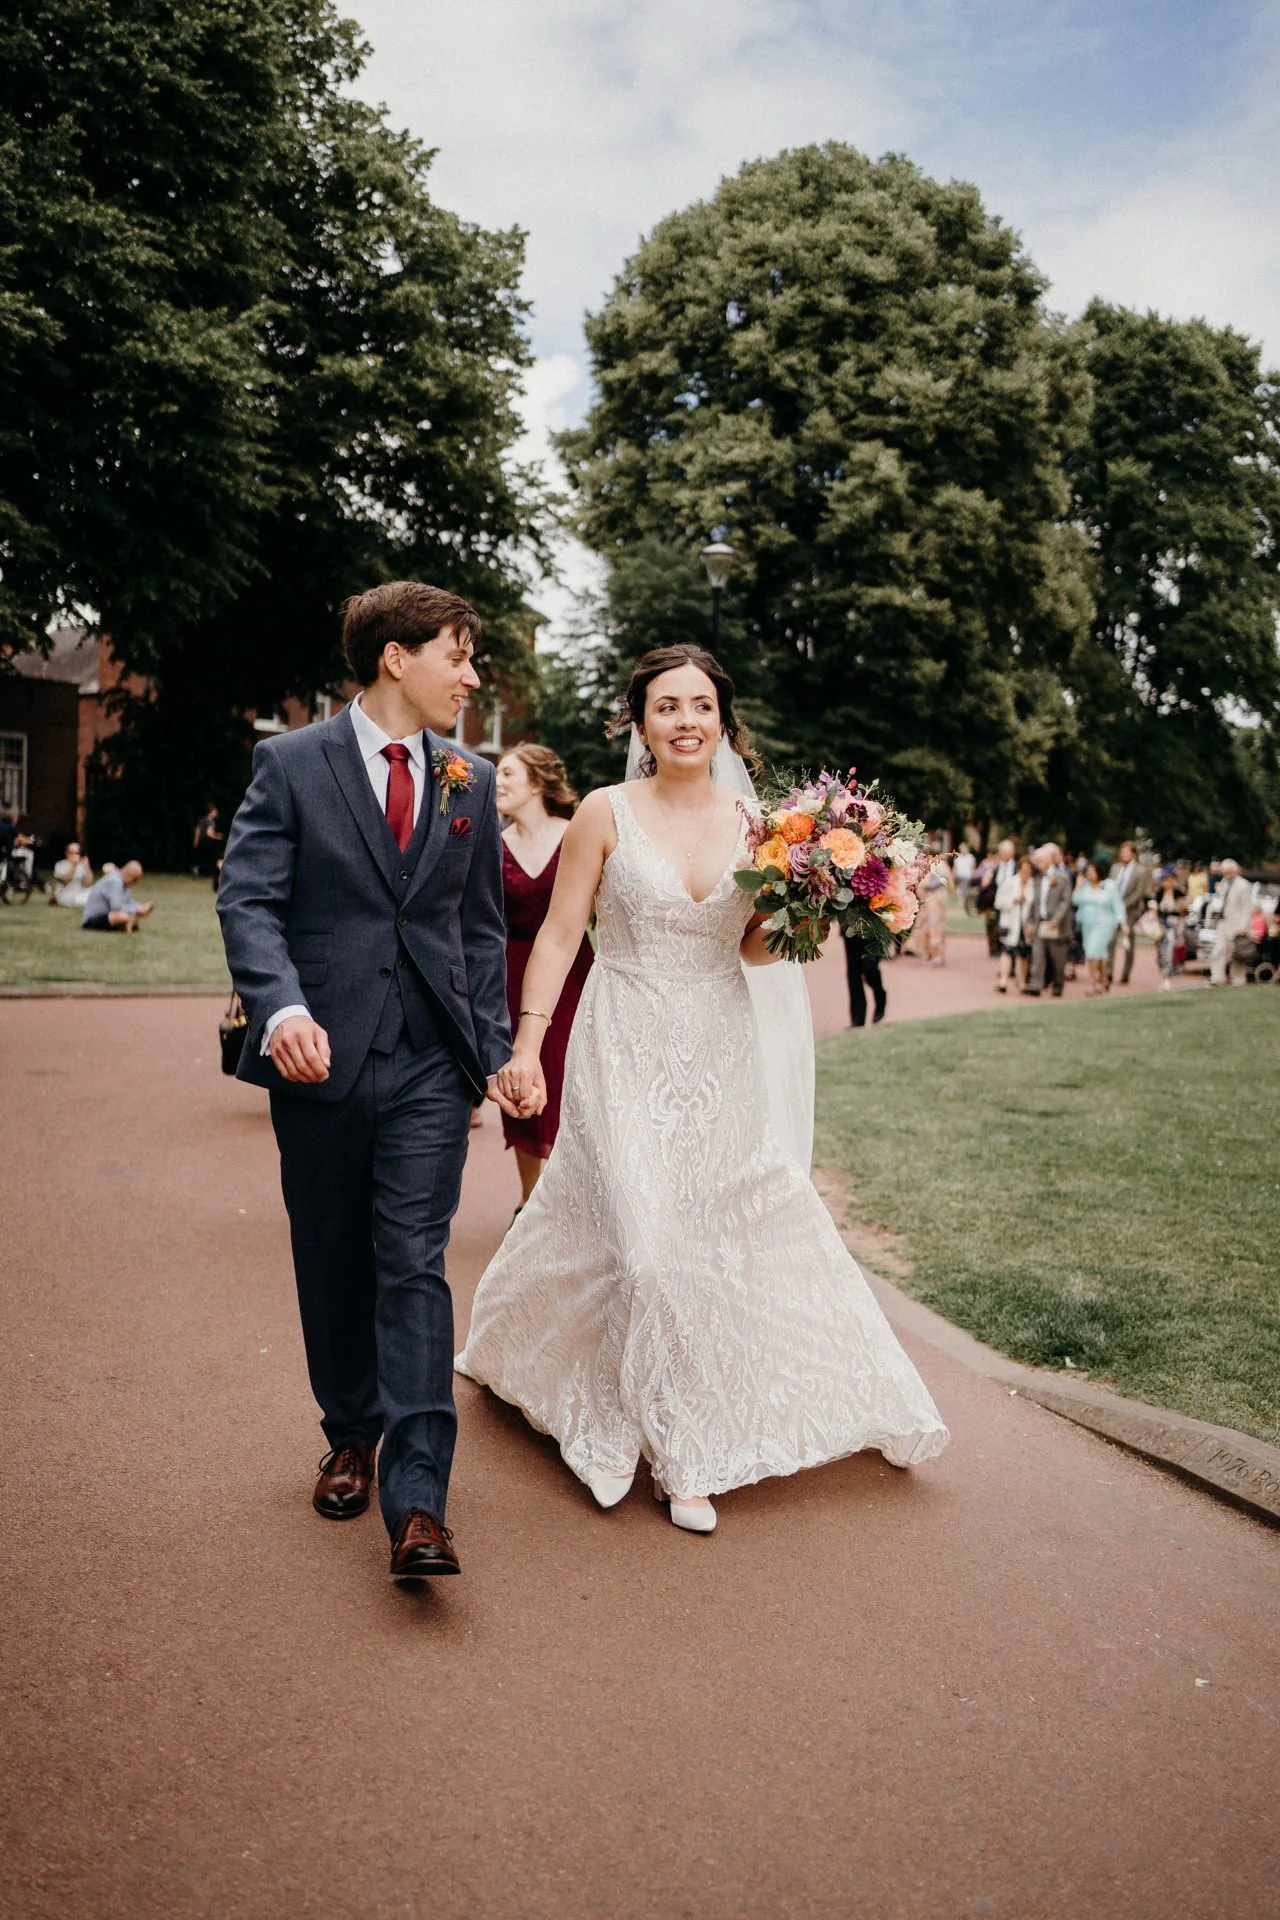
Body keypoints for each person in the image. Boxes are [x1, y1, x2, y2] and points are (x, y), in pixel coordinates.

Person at [457, 645, 948, 1535]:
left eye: (701, 706)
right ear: (638, 722)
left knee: (701, 1233)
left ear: (725, 720)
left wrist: (819, 905)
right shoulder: (604, 812)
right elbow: (564, 936)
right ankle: (675, 1458)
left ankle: (545, 1357)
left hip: (720, 1046)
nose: (686, 720)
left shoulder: (763, 822)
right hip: (624, 1035)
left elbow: (753, 948)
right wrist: (527, 1046)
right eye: (667, 706)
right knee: (646, 1247)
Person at [217, 581, 515, 1587]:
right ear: (396, 657)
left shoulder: (470, 779)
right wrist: (282, 1008)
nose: (470, 676)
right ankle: (350, 1432)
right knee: (333, 1254)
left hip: (432, 1059)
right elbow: (249, 900)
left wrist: (496, 1051)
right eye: (457, 655)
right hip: (320, 1055)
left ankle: (419, 1502)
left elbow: (476, 932)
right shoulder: (288, 765)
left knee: (412, 1262)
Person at [496, 742, 594, 1208]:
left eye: (508, 774)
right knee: (521, 1076)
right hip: (513, 972)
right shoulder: (491, 845)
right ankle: (528, 1199)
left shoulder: (576, 834)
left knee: (567, 1077)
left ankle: (566, 1197)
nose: (498, 782)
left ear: (537, 782)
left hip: (574, 972)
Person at [1024, 845, 1072, 997]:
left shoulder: (1062, 878)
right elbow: (1034, 902)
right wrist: (1030, 922)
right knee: (1037, 954)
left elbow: (1065, 901)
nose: (1037, 864)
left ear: (1049, 860)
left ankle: (1058, 984)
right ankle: (1035, 984)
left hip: (1056, 924)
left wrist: (1057, 919)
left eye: (1040, 861)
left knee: (1057, 957)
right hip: (1040, 922)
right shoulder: (1038, 879)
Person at [1072, 860, 1123, 996]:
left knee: (1092, 954)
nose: (1089, 874)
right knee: (1097, 954)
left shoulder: (1109, 886)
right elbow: (1076, 900)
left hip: (1103, 924)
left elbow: (1117, 904)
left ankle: (1092, 983)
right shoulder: (1085, 886)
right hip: (1088, 924)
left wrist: (1122, 922)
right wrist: (1078, 885)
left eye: (1092, 871)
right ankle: (1104, 979)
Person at [1210, 858, 1254, 986]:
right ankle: (1217, 977)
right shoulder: (1223, 883)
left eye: (1228, 871)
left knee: (1237, 953)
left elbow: (1247, 908)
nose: (1226, 874)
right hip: (1223, 922)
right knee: (1219, 949)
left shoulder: (1243, 885)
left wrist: (1243, 926)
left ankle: (1238, 980)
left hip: (1236, 924)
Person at [995, 853, 1034, 993]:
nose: (1026, 874)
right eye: (1024, 870)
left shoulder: (1032, 885)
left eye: (1029, 871)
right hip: (1010, 923)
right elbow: (998, 902)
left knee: (1024, 954)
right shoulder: (1010, 883)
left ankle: (1022, 981)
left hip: (1025, 925)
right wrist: (1013, 901)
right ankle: (1003, 980)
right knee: (1007, 951)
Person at [1109, 841, 1147, 985]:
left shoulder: (1140, 871)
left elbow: (1138, 894)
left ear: (1133, 854)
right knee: (1110, 941)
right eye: (1122, 852)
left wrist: (1121, 905)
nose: (1123, 855)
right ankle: (1108, 972)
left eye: (1126, 852)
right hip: (1113, 910)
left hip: (1130, 911)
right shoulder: (1115, 868)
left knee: (1127, 943)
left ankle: (1125, 973)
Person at [81, 860, 153, 931]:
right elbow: (116, 907)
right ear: (128, 874)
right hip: (93, 919)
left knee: (132, 916)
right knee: (123, 916)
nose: (136, 883)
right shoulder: (114, 881)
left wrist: (142, 906)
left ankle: (125, 925)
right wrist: (136, 909)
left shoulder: (123, 884)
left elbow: (128, 902)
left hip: (108, 915)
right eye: (135, 879)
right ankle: (124, 926)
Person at [1150, 864, 1187, 991]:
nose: (1168, 882)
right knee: (1161, 952)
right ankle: (1164, 973)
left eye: (1170, 879)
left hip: (1174, 925)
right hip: (1161, 925)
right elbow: (1154, 909)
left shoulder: (1179, 893)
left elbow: (1183, 911)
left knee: (1169, 950)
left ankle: (1168, 977)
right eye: (1165, 879)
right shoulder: (1159, 893)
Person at [841, 927, 886, 1026]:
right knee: (853, 972)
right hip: (850, 927)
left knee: (870, 968)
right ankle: (858, 1018)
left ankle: (880, 998)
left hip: (873, 927)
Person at [918, 865, 949, 966]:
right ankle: (931, 954)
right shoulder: (929, 867)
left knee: (935, 929)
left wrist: (925, 886)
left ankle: (937, 955)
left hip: (934, 902)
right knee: (928, 928)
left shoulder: (937, 867)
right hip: (928, 904)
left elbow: (940, 882)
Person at [50, 841, 93, 909]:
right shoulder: (60, 865)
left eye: (77, 853)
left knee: (98, 889)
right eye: (71, 853)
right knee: (94, 901)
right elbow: (65, 881)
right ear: (67, 853)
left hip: (80, 894)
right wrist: (74, 866)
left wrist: (87, 867)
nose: (74, 855)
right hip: (65, 897)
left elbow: (88, 883)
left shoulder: (81, 866)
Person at [192, 804, 224, 881]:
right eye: (215, 811)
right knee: (213, 858)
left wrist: (196, 841)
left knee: (203, 858)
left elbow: (198, 830)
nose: (216, 813)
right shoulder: (211, 822)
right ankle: (209, 875)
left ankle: (197, 869)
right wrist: (218, 837)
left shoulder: (202, 820)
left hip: (201, 841)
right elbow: (209, 833)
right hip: (209, 842)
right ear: (211, 812)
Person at [952, 843, 976, 914]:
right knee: (960, 888)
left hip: (967, 876)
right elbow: (955, 867)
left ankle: (962, 901)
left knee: (963, 888)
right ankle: (962, 899)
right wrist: (953, 875)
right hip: (959, 875)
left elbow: (973, 867)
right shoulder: (958, 857)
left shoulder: (971, 857)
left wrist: (973, 874)